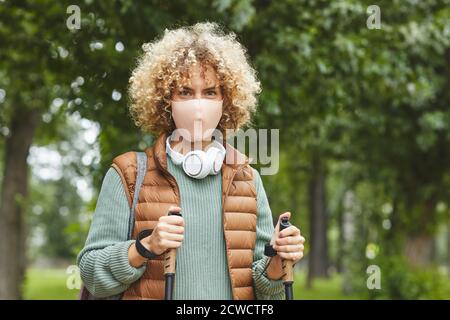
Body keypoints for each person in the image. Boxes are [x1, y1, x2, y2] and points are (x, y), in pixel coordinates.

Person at [77, 22, 305, 300]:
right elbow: (92, 274)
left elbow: (266, 292)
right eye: (185, 92)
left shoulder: (248, 179)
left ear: (226, 100)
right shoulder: (128, 173)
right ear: (165, 100)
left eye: (210, 92)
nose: (198, 105)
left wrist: (278, 258)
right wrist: (145, 247)